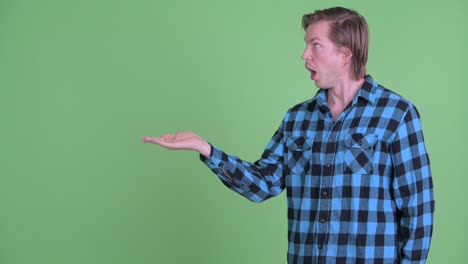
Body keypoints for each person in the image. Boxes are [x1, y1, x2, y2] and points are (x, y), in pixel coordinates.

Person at [142, 6, 435, 264]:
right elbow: (262, 184)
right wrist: (205, 149)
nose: (304, 54)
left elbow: (417, 209)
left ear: (345, 52)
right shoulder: (297, 118)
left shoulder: (396, 114)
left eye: (315, 45)